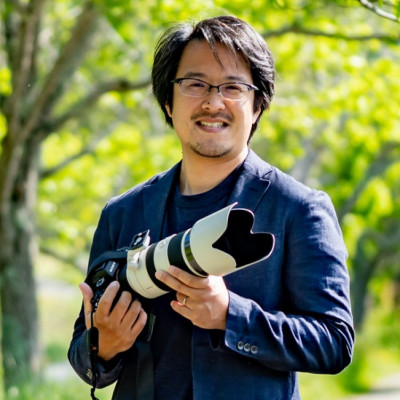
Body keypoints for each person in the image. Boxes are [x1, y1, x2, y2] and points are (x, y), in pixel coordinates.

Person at [68, 15, 355, 400]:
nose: (213, 102)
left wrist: (229, 315)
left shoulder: (299, 209)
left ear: (257, 106)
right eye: (195, 84)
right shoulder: (123, 213)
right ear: (168, 102)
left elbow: (335, 342)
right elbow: (84, 353)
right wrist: (104, 345)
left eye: (233, 87)